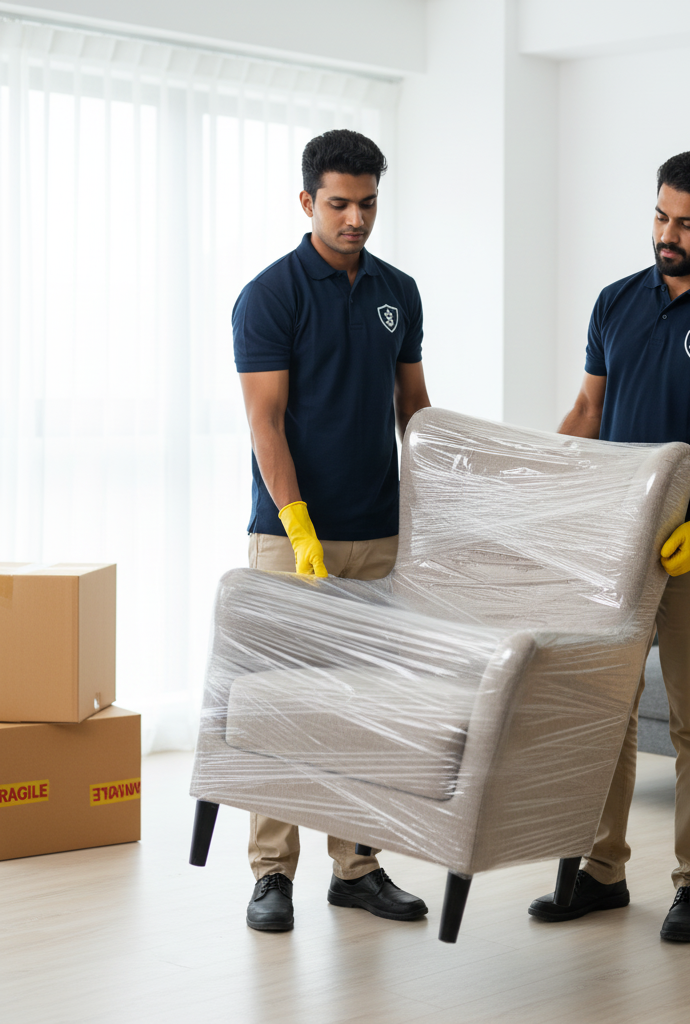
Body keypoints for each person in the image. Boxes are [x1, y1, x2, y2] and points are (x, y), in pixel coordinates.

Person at [528, 151, 690, 942]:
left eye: (688, 224)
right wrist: (541, 492)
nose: (668, 235)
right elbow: (586, 410)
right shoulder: (615, 303)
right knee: (604, 711)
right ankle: (602, 872)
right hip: (614, 549)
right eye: (661, 217)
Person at [232, 129, 432, 932]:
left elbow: (412, 409)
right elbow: (265, 421)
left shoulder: (399, 290)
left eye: (369, 203)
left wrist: (434, 509)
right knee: (285, 701)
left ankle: (357, 867)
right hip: (291, 537)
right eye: (341, 203)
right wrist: (299, 526)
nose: (356, 218)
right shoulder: (270, 295)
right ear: (307, 200)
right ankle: (271, 873)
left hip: (379, 532)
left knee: (366, 705)